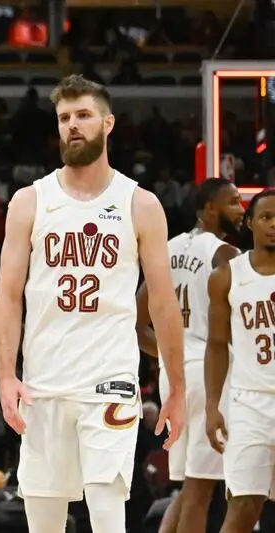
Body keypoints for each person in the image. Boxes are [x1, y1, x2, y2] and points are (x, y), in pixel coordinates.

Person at [0, 74, 186, 533]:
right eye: (64, 118)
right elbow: (7, 295)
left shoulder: (140, 204)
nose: (72, 126)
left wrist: (176, 386)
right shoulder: (29, 201)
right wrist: (4, 376)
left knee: (106, 515)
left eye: (83, 115)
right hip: (43, 381)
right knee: (43, 523)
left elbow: (162, 302)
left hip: (110, 380)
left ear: (108, 123)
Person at [135, 177, 244, 533]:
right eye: (233, 202)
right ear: (209, 207)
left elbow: (137, 324)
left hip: (176, 376)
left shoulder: (167, 249)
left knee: (190, 488)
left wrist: (170, 357)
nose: (240, 210)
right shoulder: (225, 254)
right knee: (201, 491)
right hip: (212, 377)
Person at [205, 189, 275, 533]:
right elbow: (217, 346)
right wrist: (211, 406)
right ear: (250, 223)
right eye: (265, 217)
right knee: (244, 506)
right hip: (249, 403)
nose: (273, 224)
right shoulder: (227, 276)